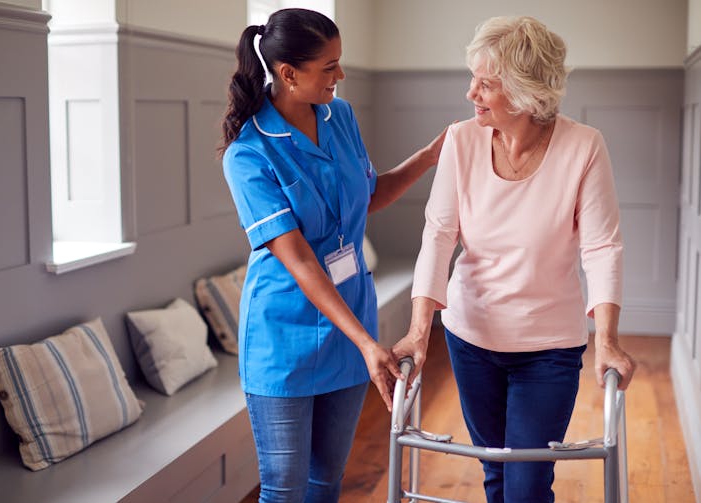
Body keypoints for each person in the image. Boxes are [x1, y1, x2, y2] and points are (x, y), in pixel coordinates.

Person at [392, 16, 636, 503]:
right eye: (472, 79)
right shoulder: (462, 140)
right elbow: (439, 236)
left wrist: (607, 341)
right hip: (470, 336)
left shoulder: (584, 147)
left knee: (526, 484)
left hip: (548, 347)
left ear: (526, 93)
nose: (470, 94)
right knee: (495, 472)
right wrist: (420, 333)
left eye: (485, 84)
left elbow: (601, 247)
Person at [219, 8, 445, 502]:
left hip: (349, 332)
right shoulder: (249, 154)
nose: (340, 76)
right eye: (329, 67)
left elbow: (369, 196)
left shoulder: (338, 116)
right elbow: (298, 260)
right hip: (284, 341)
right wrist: (369, 344)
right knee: (284, 488)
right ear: (288, 74)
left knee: (327, 483)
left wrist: (428, 157)